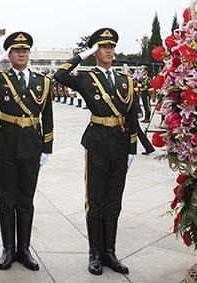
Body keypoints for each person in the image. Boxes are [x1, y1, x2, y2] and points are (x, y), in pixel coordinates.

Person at [54, 28, 140, 276]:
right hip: (97, 143)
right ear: (95, 52)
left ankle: (110, 252)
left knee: (114, 201)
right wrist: (82, 55)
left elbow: (131, 114)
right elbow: (60, 74)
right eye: (103, 47)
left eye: (111, 46)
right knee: (96, 200)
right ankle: (94, 253)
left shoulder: (126, 80)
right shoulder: (86, 78)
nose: (109, 50)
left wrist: (132, 148)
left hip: (120, 143)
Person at [0, 31, 53, 271]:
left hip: (32, 144)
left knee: (26, 198)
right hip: (6, 143)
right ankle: (8, 249)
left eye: (24, 50)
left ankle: (24, 250)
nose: (21, 53)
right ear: (10, 54)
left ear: (29, 53)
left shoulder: (42, 81)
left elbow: (47, 115)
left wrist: (47, 147)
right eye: (16, 50)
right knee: (6, 198)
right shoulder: (0, 79)